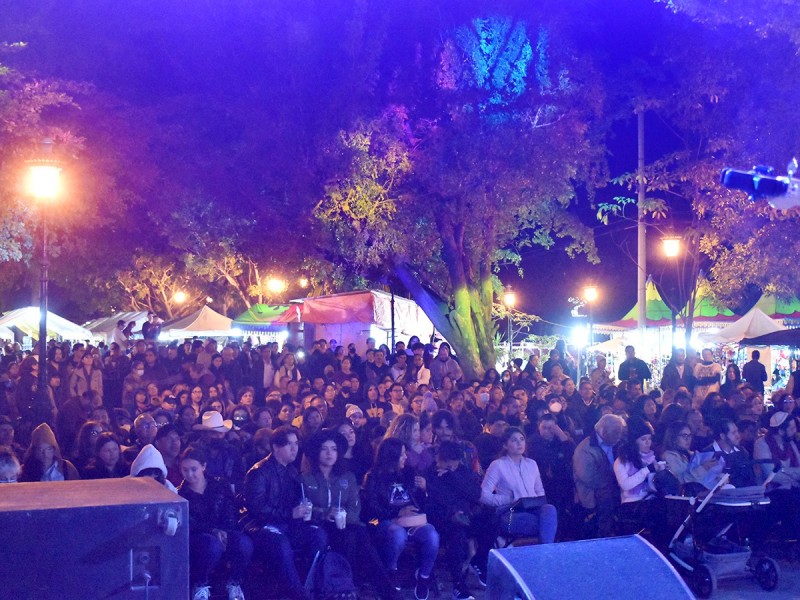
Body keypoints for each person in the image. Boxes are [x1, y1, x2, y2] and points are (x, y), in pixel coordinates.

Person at [300, 430, 396, 600]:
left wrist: (341, 515)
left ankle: (369, 589)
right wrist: (323, 513)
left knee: (358, 534)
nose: (330, 453)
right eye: (325, 449)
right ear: (317, 452)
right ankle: (354, 587)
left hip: (346, 523)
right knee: (354, 536)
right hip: (319, 525)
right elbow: (304, 506)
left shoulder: (347, 477)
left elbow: (354, 507)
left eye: (334, 449)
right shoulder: (306, 479)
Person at [240, 426, 326, 600]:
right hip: (261, 526)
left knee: (318, 535)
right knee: (281, 543)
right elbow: (257, 508)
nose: (294, 448)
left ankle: (311, 586)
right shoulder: (260, 472)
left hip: (287, 524)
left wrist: (306, 509)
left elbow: (297, 500)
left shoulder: (291, 471)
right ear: (275, 447)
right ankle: (298, 594)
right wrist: (290, 513)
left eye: (296, 443)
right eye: (289, 444)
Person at [362, 437, 440, 600]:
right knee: (398, 534)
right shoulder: (373, 477)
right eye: (402, 454)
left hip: (410, 521)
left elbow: (421, 503)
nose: (406, 457)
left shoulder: (408, 473)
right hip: (379, 522)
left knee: (431, 535)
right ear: (392, 456)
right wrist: (396, 514)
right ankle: (391, 573)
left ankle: (423, 577)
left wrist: (425, 491)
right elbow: (370, 511)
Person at [179, 446, 253, 600]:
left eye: (194, 469)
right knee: (210, 544)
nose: (190, 474)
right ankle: (200, 584)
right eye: (185, 470)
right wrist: (213, 531)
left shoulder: (219, 485)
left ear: (203, 467)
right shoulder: (181, 493)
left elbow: (231, 510)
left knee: (243, 543)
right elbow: (189, 523)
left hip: (224, 529)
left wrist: (225, 530)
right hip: (199, 537)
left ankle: (234, 582)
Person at [426, 440, 486, 600]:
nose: (452, 465)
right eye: (448, 462)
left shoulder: (461, 471)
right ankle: (459, 584)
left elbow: (475, 494)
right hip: (444, 521)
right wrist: (452, 512)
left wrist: (453, 476)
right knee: (457, 534)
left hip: (466, 517)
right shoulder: (430, 474)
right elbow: (434, 502)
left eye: (455, 462)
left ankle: (479, 560)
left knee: (491, 520)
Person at [480, 427, 557, 542]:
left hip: (532, 508)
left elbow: (540, 491)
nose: (519, 443)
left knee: (550, 510)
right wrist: (509, 499)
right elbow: (483, 495)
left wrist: (536, 501)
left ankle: (544, 550)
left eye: (521, 439)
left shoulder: (531, 464)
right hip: (509, 513)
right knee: (544, 523)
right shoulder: (498, 465)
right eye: (514, 440)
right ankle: (546, 551)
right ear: (505, 445)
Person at [613, 417, 667, 541]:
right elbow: (625, 485)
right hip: (633, 506)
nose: (648, 442)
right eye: (643, 439)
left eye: (649, 438)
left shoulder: (653, 456)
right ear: (634, 441)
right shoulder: (622, 460)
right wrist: (647, 470)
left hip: (653, 502)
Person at [572, 414, 624, 538]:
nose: (619, 437)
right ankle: (604, 534)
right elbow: (588, 477)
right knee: (606, 496)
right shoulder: (585, 449)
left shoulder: (616, 442)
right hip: (592, 493)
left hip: (615, 484)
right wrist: (613, 482)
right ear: (603, 432)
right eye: (616, 433)